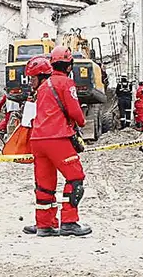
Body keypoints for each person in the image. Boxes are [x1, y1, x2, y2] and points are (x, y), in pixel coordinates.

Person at [27, 46, 91, 237]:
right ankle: (69, 222)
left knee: (44, 184)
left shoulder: (42, 86)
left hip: (37, 140)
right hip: (57, 138)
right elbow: (75, 111)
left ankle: (44, 224)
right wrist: (81, 122)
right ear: (69, 65)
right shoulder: (66, 83)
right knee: (75, 177)